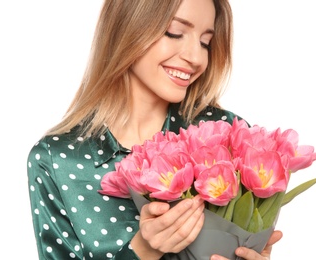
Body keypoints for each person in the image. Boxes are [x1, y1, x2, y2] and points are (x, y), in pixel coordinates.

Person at [27, 0, 283, 259]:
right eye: (174, 33)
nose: (196, 58)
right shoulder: (57, 159)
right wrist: (144, 249)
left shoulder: (224, 135)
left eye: (205, 42)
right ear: (127, 27)